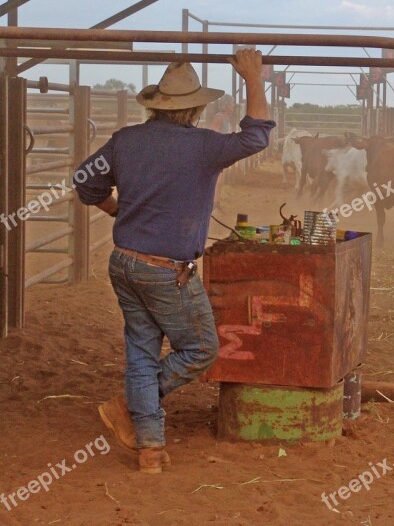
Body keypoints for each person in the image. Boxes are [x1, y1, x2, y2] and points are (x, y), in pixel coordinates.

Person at [73, 49, 274, 474]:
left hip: (125, 262)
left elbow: (85, 180)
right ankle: (131, 406)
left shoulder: (126, 140)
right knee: (200, 348)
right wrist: (254, 79)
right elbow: (257, 137)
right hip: (166, 270)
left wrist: (114, 210)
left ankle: (150, 451)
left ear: (156, 105)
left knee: (142, 351)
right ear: (197, 107)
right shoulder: (203, 146)